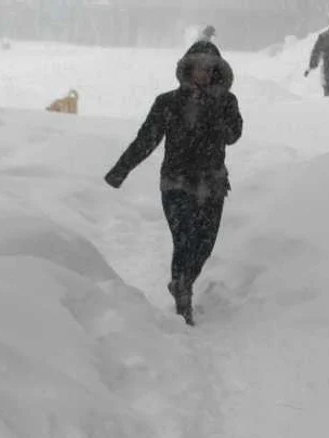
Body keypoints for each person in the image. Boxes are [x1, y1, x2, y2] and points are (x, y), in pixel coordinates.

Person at [104, 41, 243, 326]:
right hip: (175, 184)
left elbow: (233, 135)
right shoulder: (167, 102)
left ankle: (183, 281)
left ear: (217, 71)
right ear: (187, 69)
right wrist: (120, 171)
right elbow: (146, 140)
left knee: (204, 245)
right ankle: (183, 297)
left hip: (213, 184)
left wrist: (215, 108)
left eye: (209, 69)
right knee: (184, 241)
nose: (203, 73)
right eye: (198, 67)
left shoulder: (227, 101)